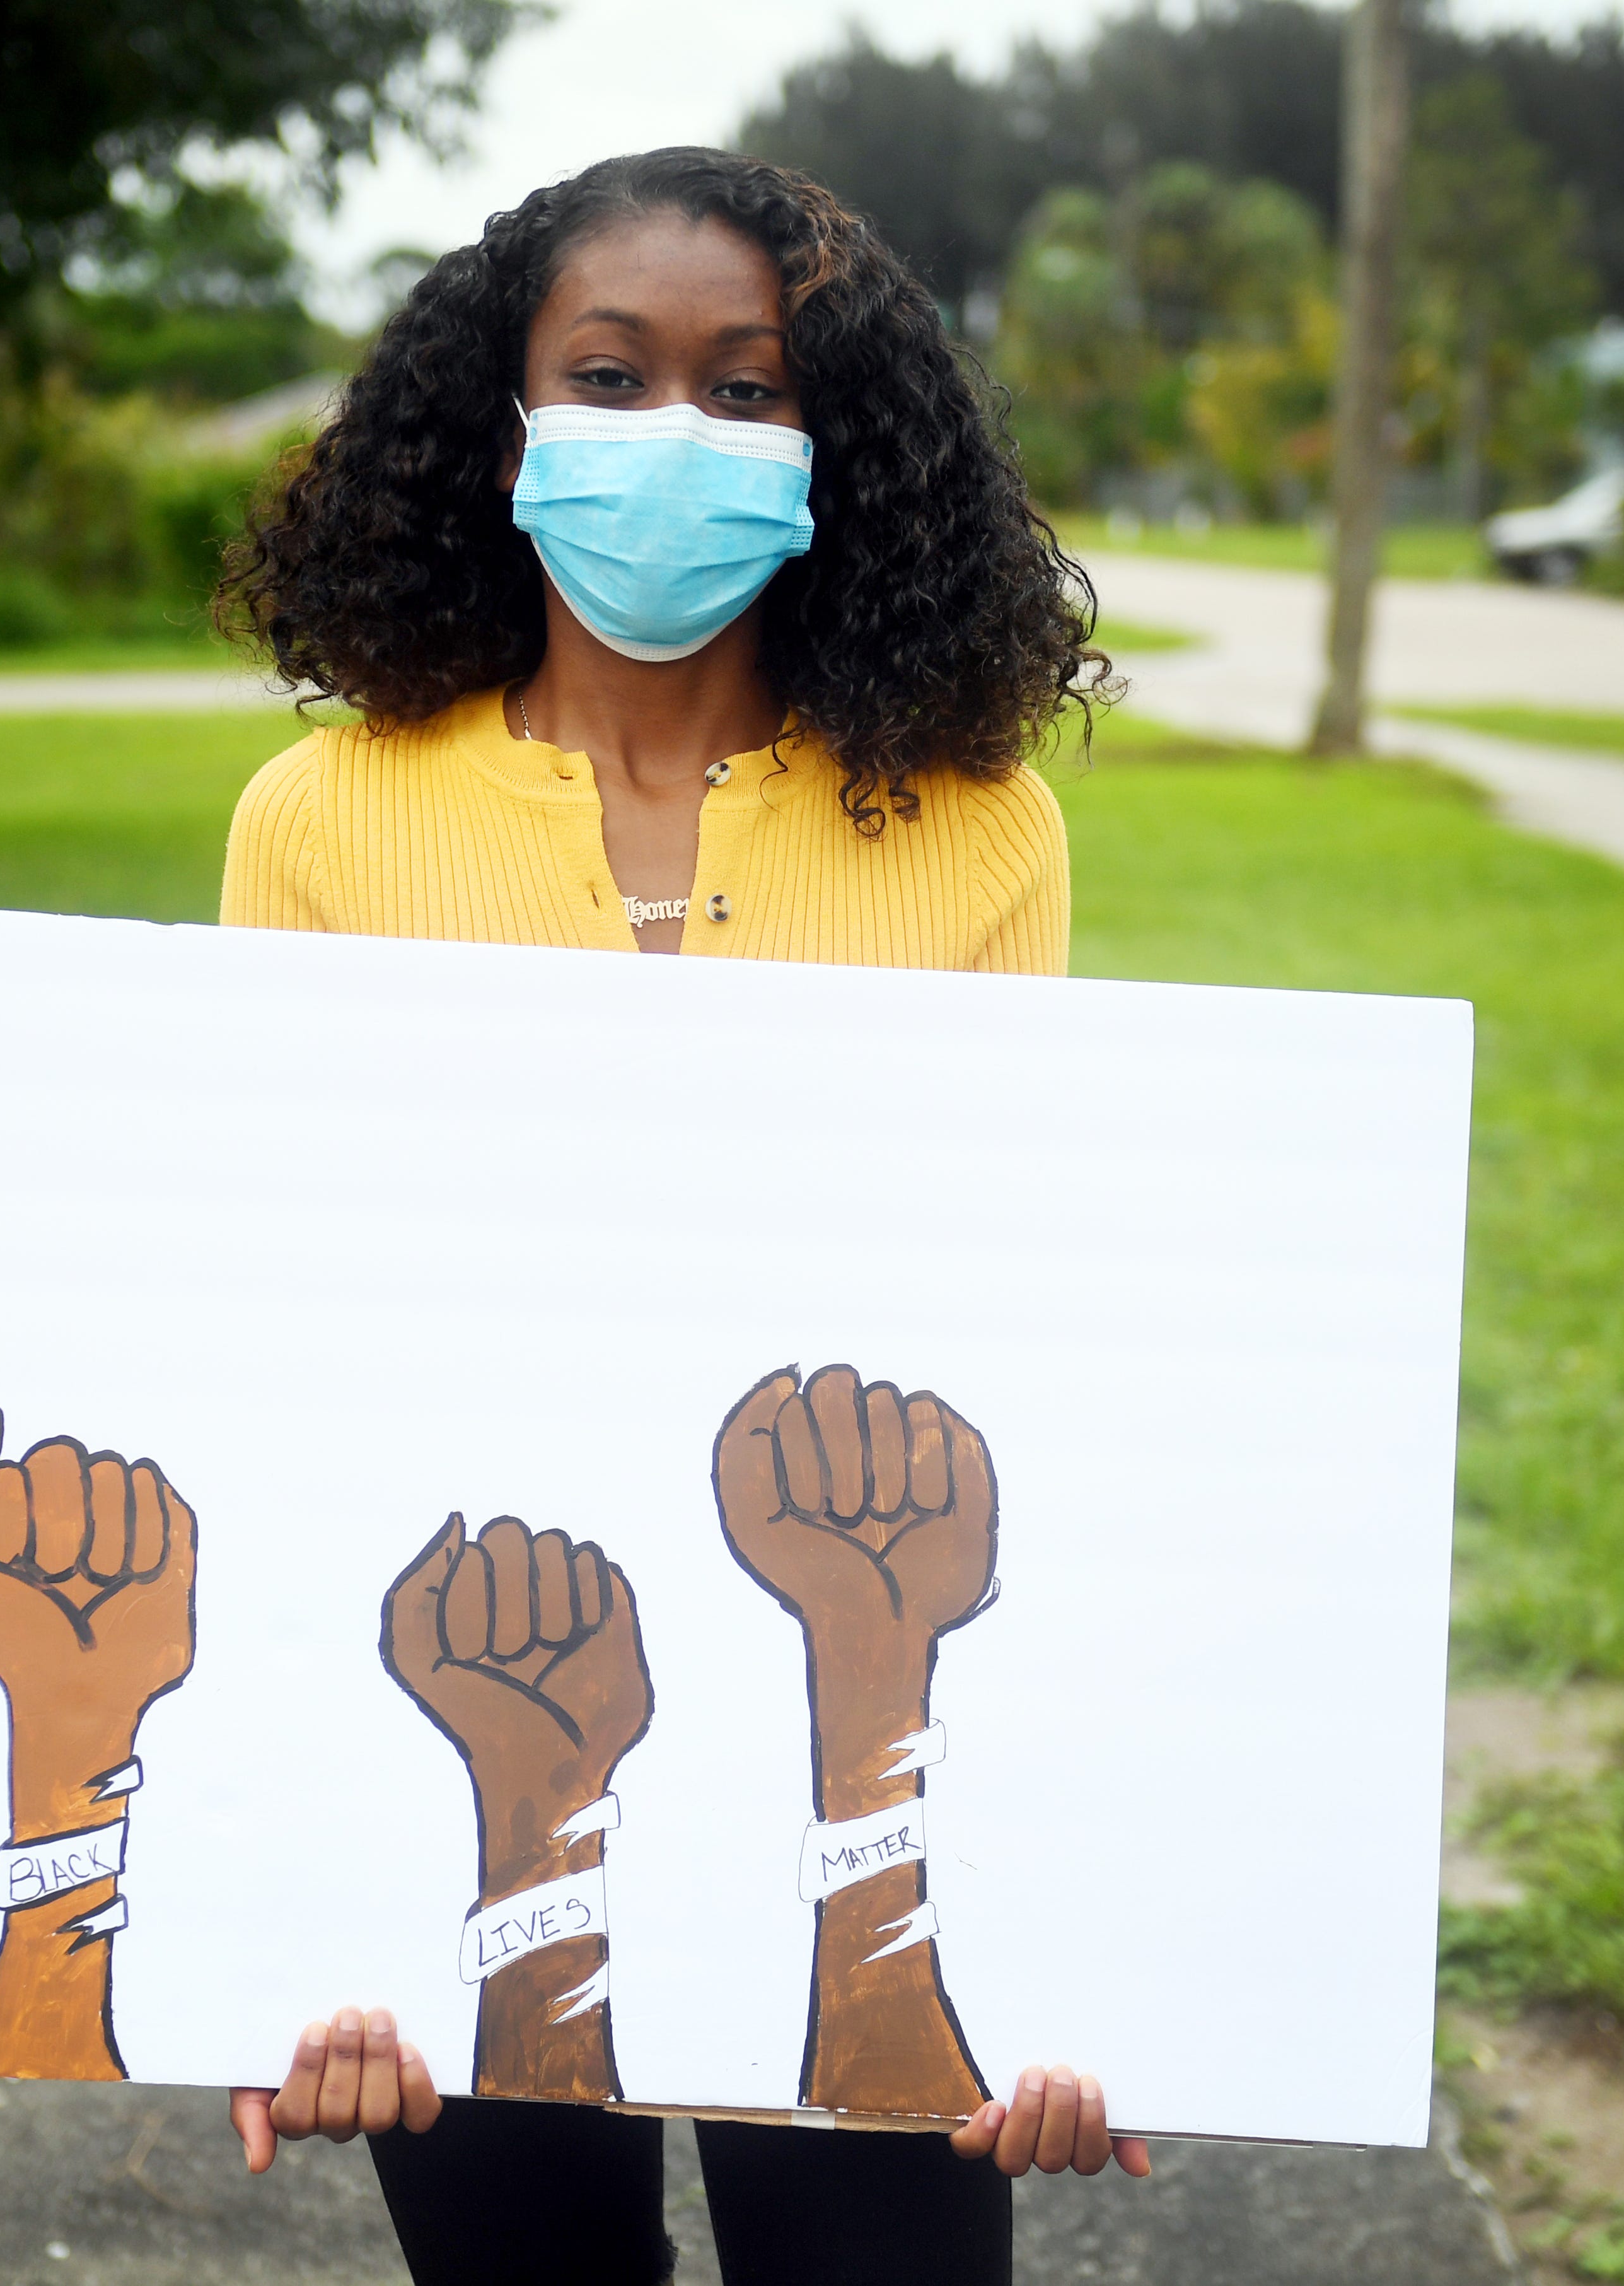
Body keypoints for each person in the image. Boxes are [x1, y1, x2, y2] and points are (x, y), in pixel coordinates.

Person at [203, 147, 1143, 2283]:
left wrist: (1083, 1945)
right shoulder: (322, 821)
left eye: (748, 386)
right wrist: (292, 1912)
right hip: (471, 1705)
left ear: (838, 451)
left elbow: (1022, 1350)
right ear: (502, 425)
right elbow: (267, 1339)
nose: (677, 437)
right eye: (611, 376)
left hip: (860, 1731)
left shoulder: (983, 836)